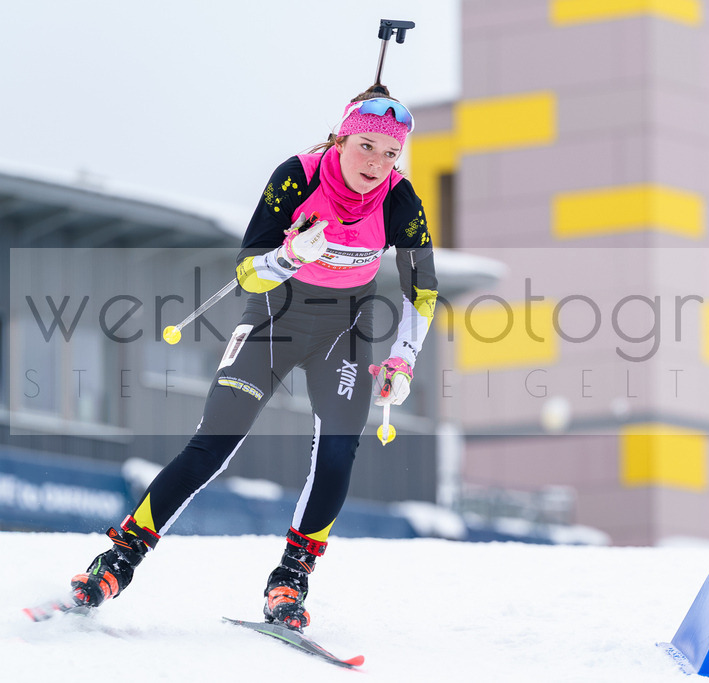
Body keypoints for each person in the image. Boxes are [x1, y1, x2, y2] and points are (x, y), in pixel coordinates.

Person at [68, 84, 438, 632]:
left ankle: (290, 579)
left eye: (390, 154)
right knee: (213, 443)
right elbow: (246, 272)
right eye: (366, 146)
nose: (377, 163)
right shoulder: (297, 177)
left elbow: (422, 290)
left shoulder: (400, 198)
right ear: (341, 138)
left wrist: (404, 358)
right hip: (274, 318)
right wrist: (289, 256)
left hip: (345, 330)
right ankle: (119, 558)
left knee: (338, 451)